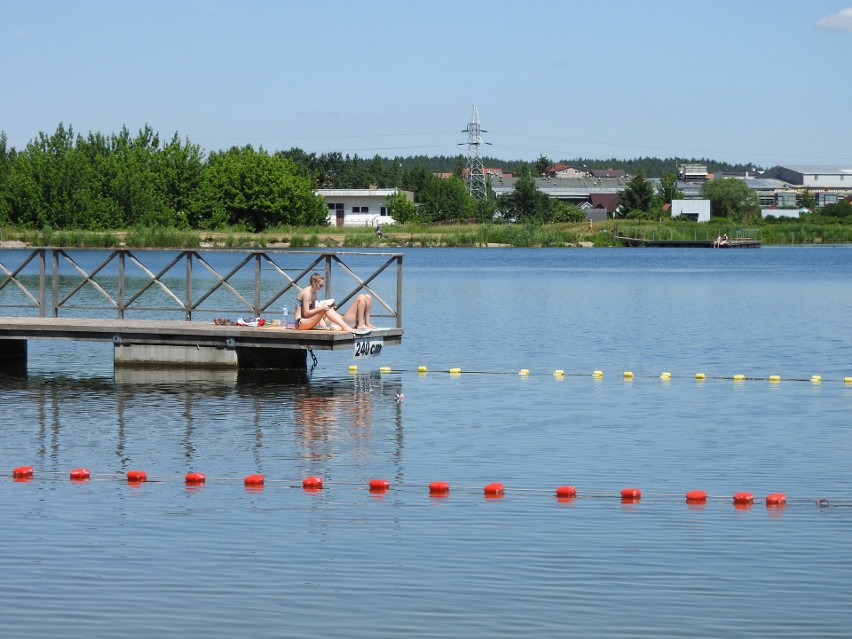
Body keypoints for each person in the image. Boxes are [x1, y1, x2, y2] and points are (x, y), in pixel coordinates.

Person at [294, 273, 374, 331]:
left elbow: (313, 312)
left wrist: (322, 324)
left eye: (322, 285)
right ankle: (346, 327)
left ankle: (364, 323)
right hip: (300, 323)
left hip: (308, 321)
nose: (321, 287)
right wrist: (322, 308)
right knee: (326, 309)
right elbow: (306, 313)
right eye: (320, 285)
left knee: (328, 308)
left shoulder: (314, 293)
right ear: (314, 282)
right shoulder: (307, 293)